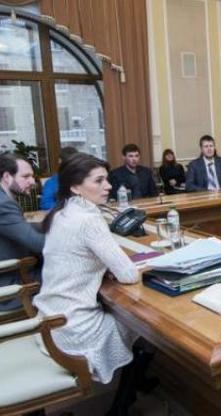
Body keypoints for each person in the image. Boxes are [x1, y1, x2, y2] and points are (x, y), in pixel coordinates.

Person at [33, 153, 142, 414]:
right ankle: (123, 403)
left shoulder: (61, 212)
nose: (108, 186)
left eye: (107, 179)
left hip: (49, 319)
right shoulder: (89, 219)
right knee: (147, 327)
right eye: (99, 181)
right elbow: (129, 274)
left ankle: (135, 387)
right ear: (75, 187)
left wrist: (104, 268)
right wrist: (112, 268)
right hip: (75, 328)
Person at [0, 154, 45, 311]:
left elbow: (16, 227)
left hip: (13, 272)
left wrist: (50, 225)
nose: (32, 182)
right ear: (7, 177)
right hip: (11, 285)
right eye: (26, 176)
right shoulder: (3, 204)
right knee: (76, 273)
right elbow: (37, 243)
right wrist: (72, 241)